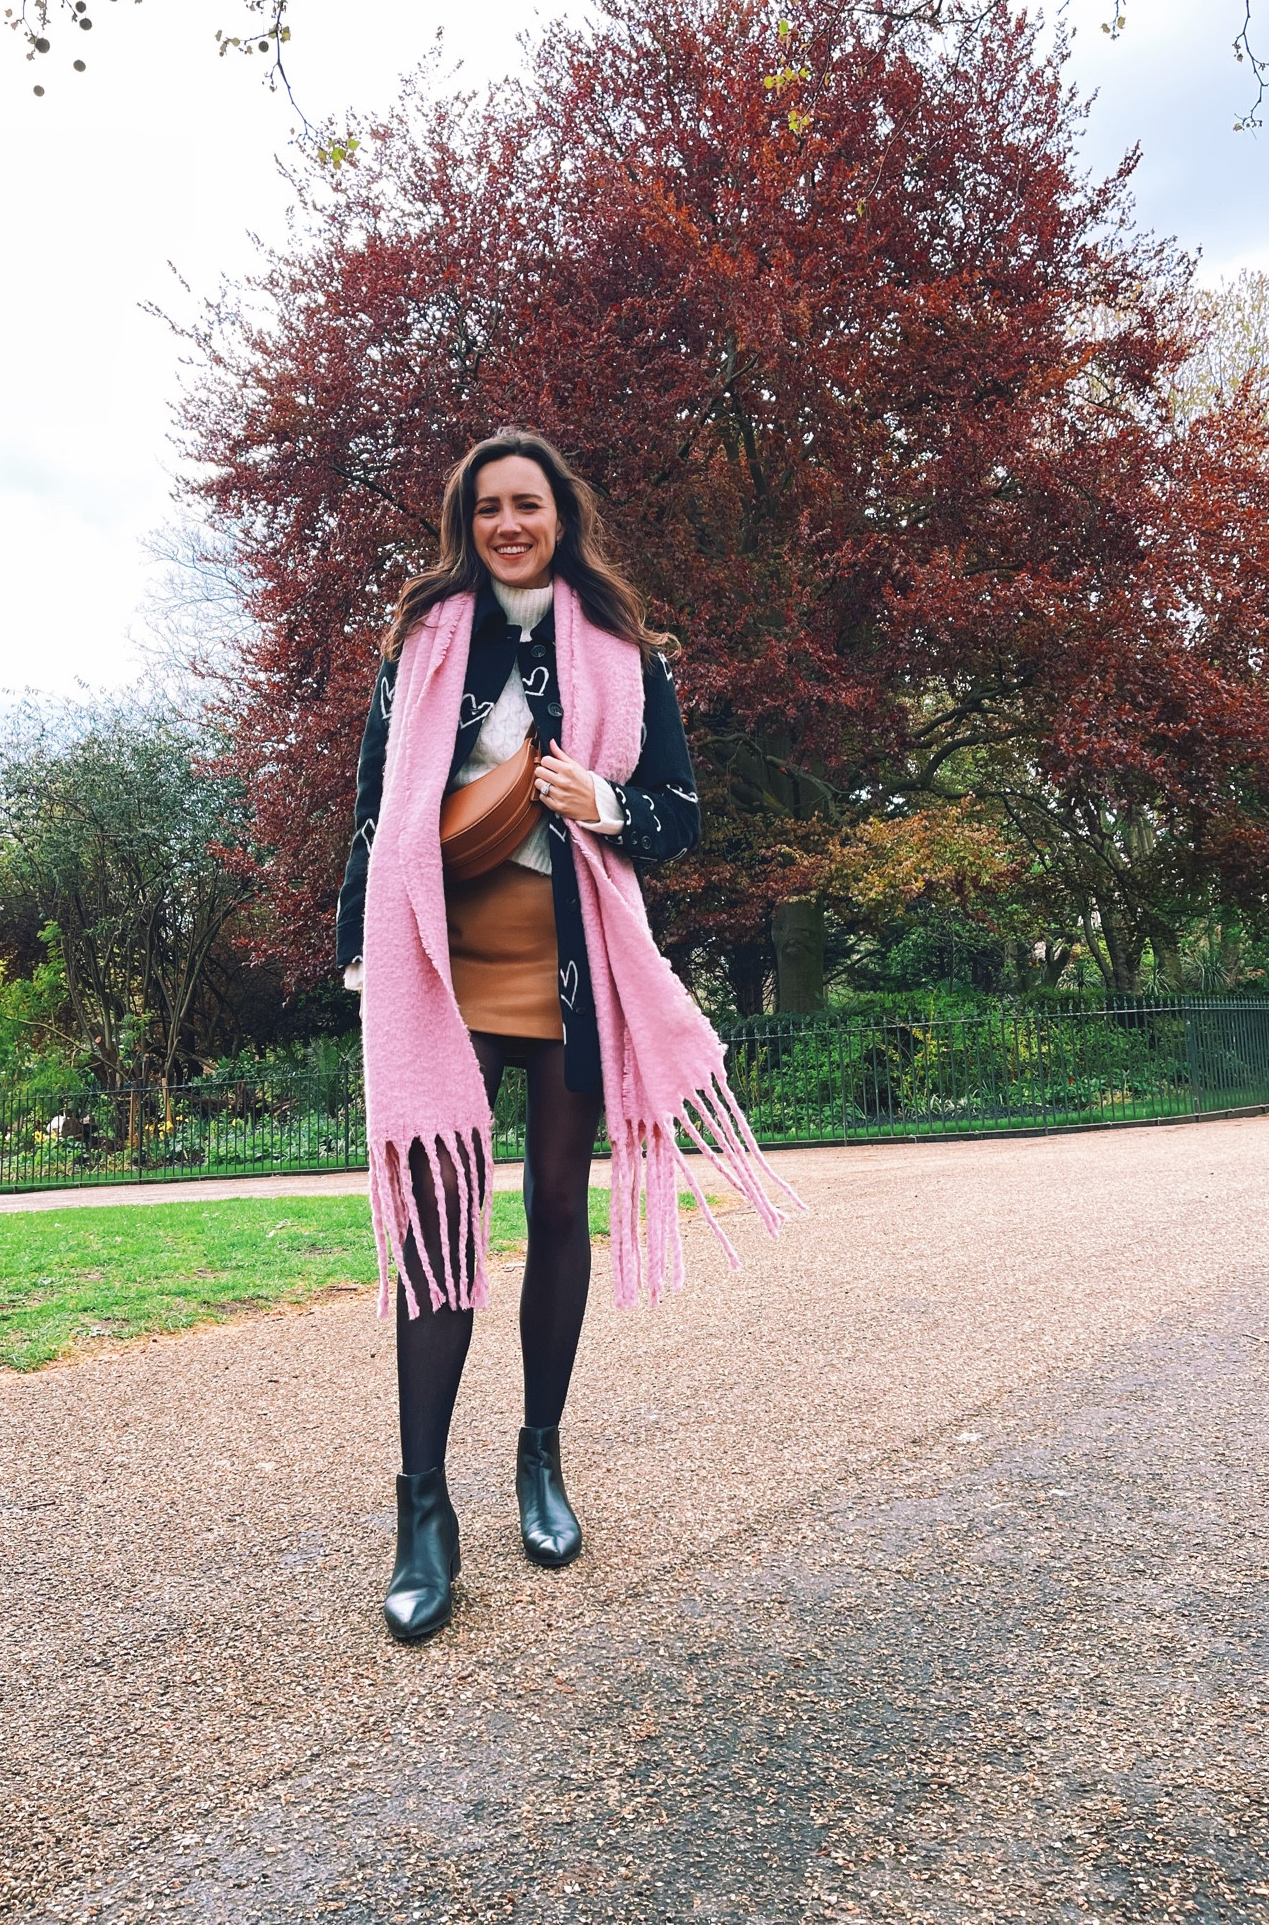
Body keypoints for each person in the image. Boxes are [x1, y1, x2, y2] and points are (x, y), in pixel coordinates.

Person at [337, 428, 796, 1643]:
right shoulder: (426, 641)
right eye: (486, 506)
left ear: (560, 514)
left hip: (573, 950)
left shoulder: (624, 649)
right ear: (465, 520)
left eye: (525, 503)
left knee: (551, 1205)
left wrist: (607, 802)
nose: (506, 522)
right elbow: (377, 807)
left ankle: (540, 1458)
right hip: (439, 953)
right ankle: (422, 1509)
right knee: (441, 1225)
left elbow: (683, 816)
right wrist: (355, 944)